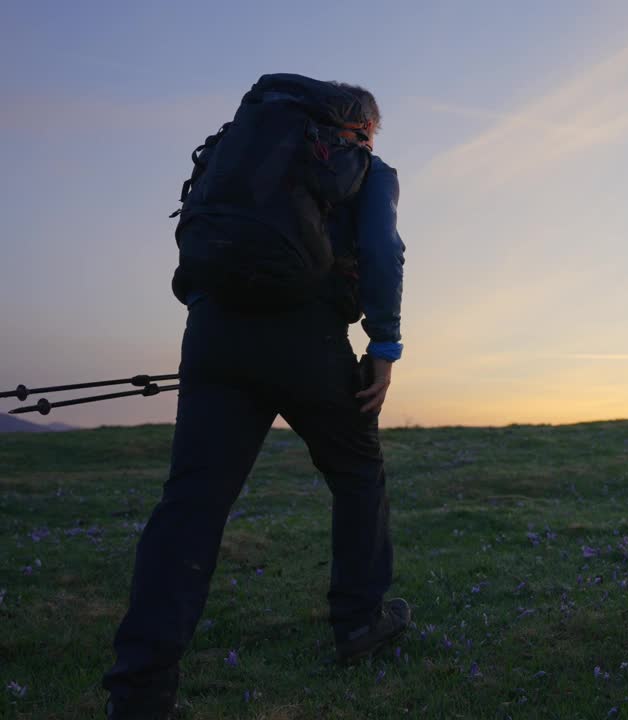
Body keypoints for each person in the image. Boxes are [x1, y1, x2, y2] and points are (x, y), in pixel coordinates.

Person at [103, 80, 409, 720]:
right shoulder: (366, 167)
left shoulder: (233, 154)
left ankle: (141, 690)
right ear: (361, 128)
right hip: (307, 335)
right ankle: (359, 622)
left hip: (214, 332)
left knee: (191, 504)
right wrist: (384, 343)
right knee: (357, 472)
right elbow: (383, 249)